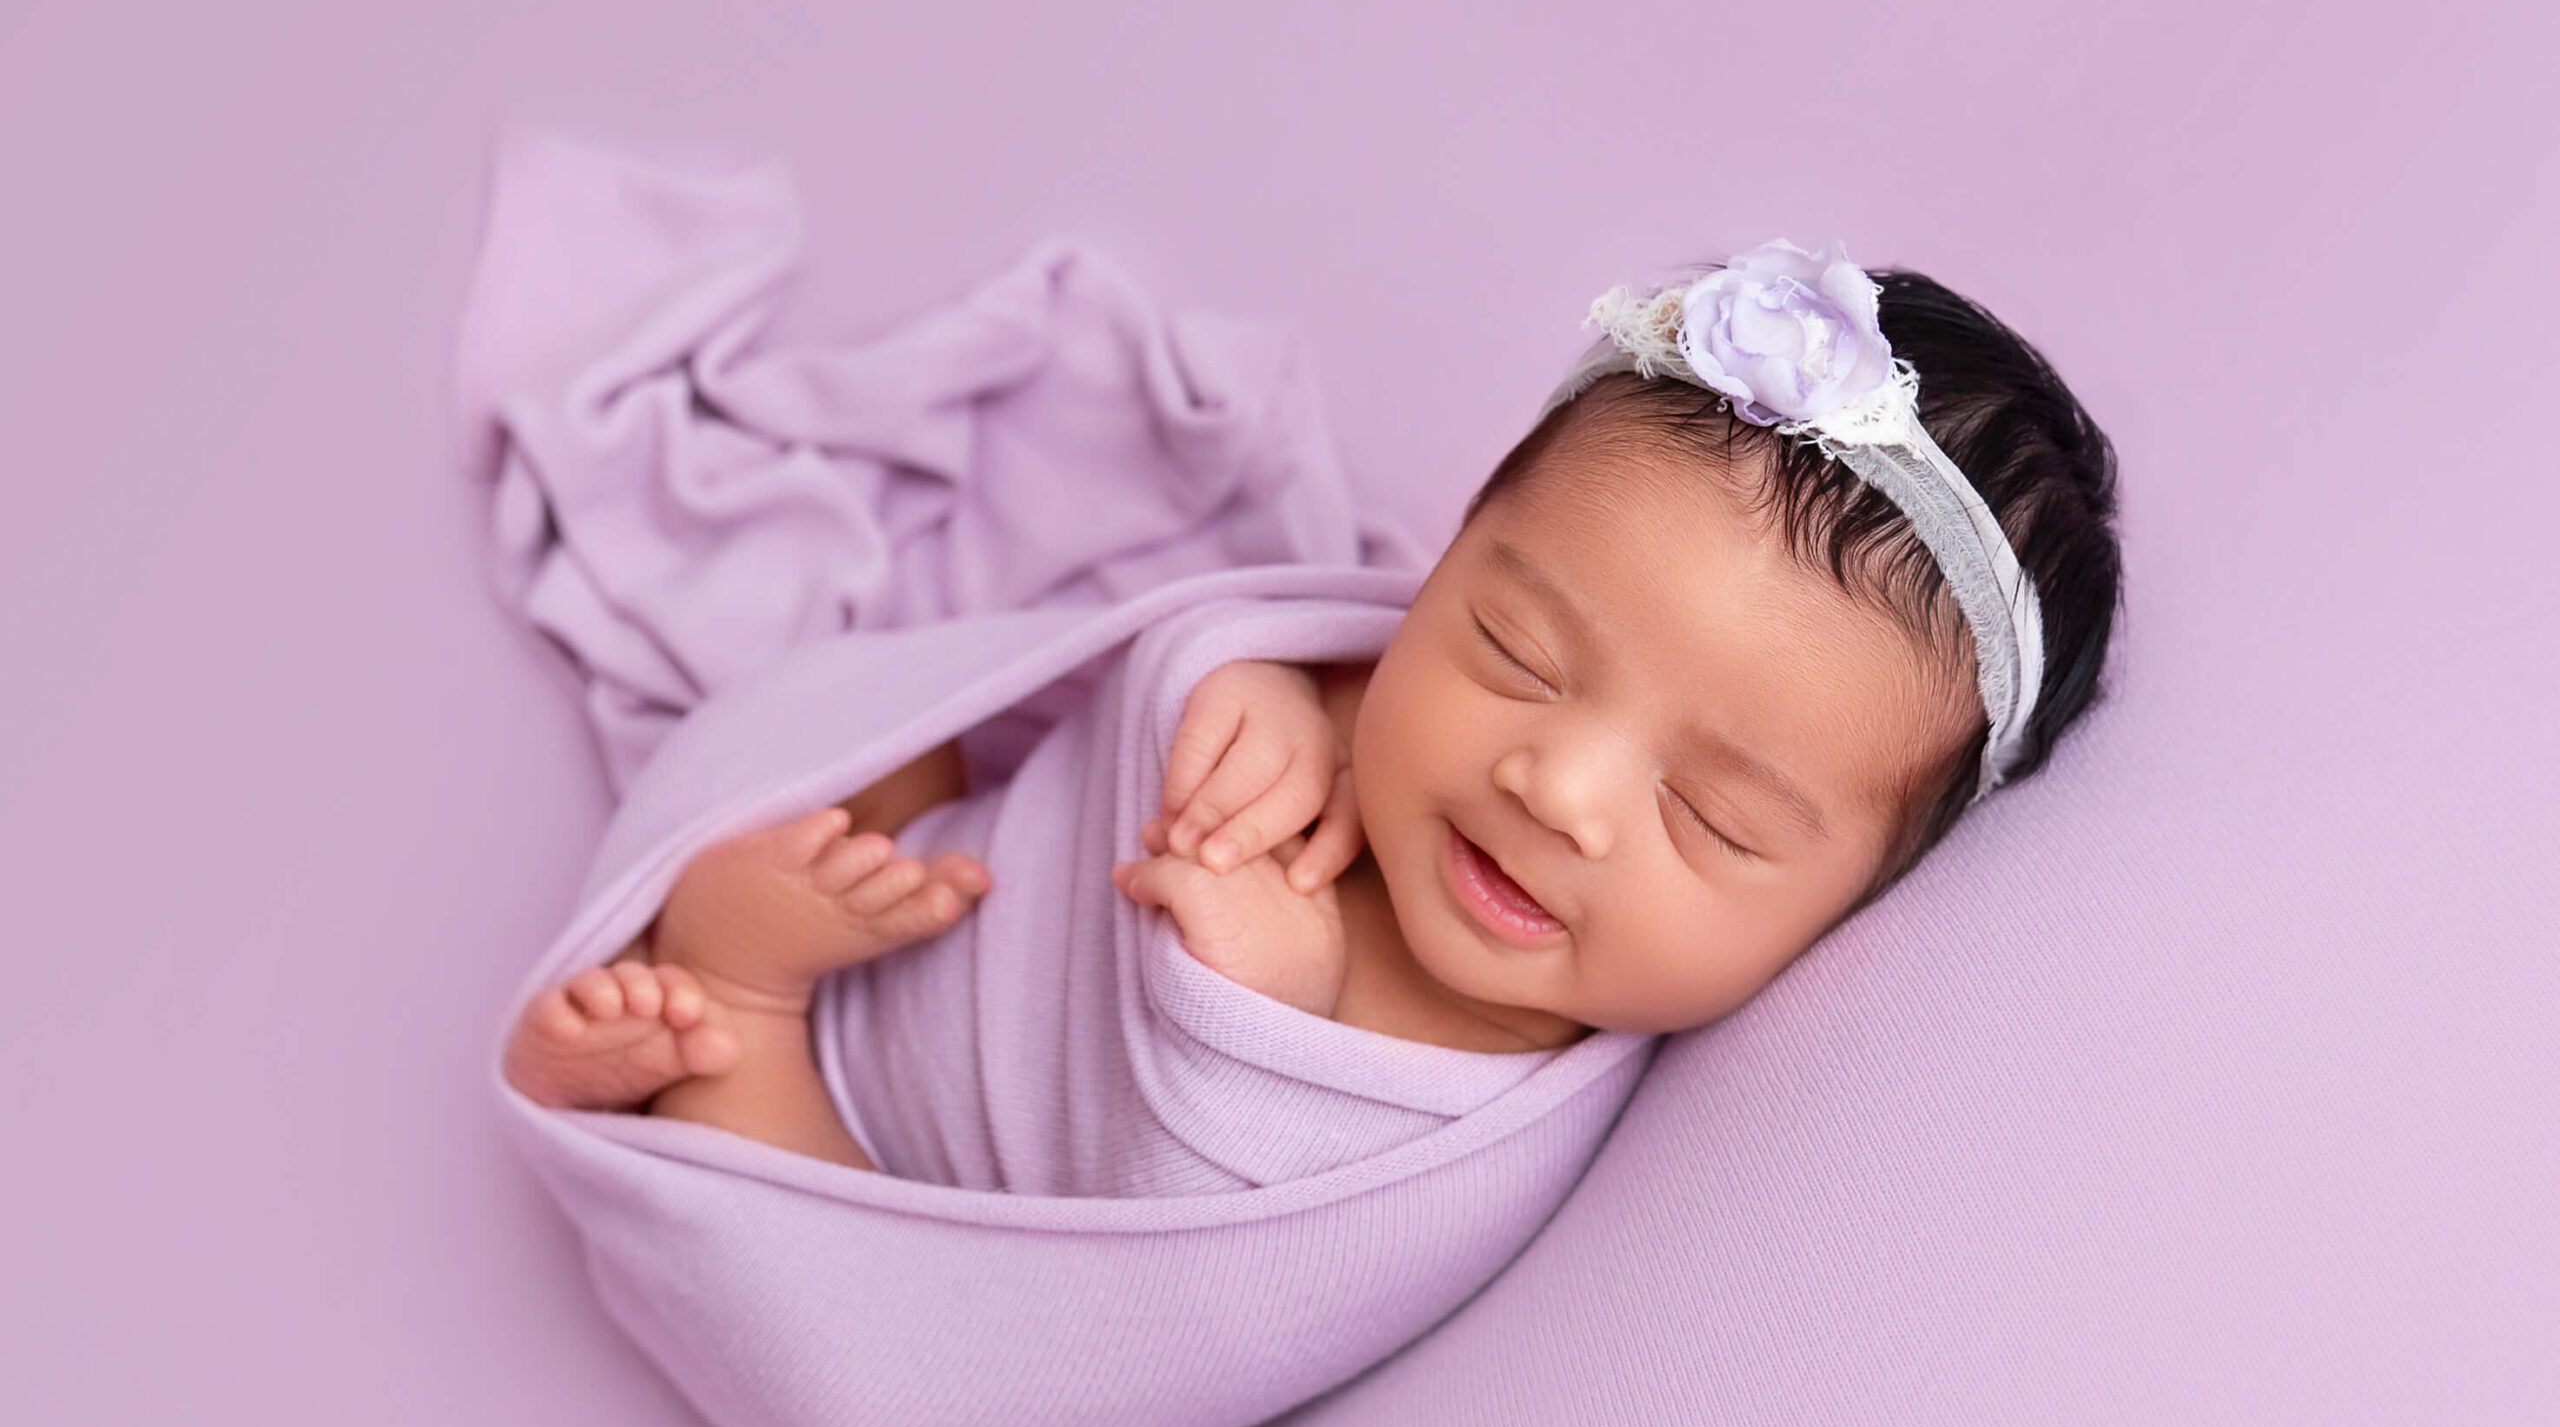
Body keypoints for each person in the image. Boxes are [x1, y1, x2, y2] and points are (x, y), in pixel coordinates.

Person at [500, 239, 2124, 1170]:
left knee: (769, 1150)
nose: (1556, 784)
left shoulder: (1471, 1075)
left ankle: (727, 1010)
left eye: (1711, 815)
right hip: (967, 885)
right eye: (1517, 650)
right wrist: (1260, 681)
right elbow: (1223, 652)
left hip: (899, 1155)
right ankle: (770, 858)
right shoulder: (1401, 705)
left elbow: (1194, 1260)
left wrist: (1257, 1012)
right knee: (910, 723)